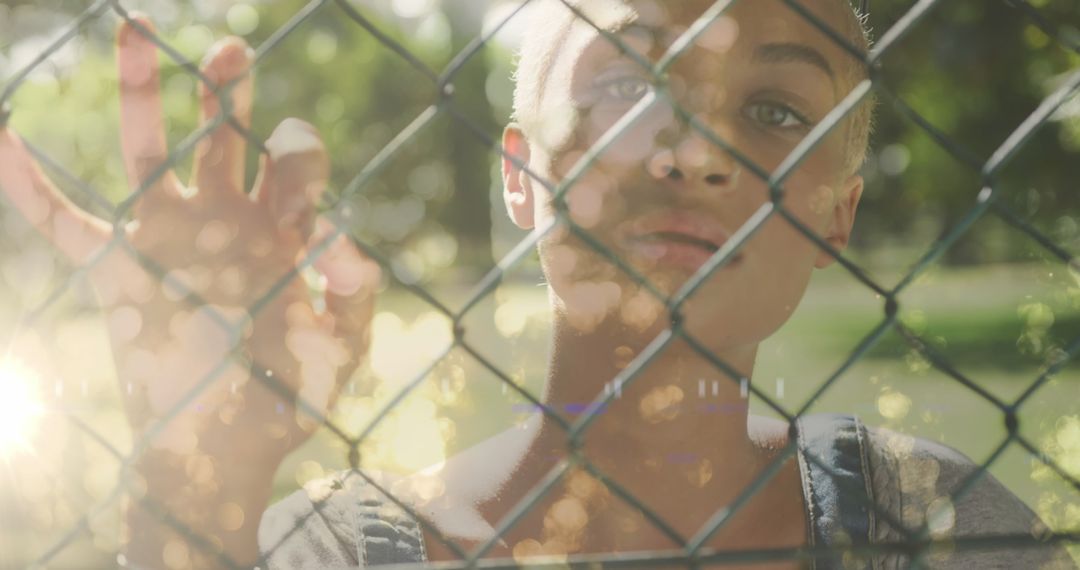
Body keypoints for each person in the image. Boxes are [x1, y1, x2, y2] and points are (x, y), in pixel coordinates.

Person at [0, 0, 1074, 568]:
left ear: (835, 215)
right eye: (628, 80)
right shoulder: (327, 554)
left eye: (779, 112)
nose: (696, 151)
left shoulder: (926, 522)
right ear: (521, 172)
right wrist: (198, 492)